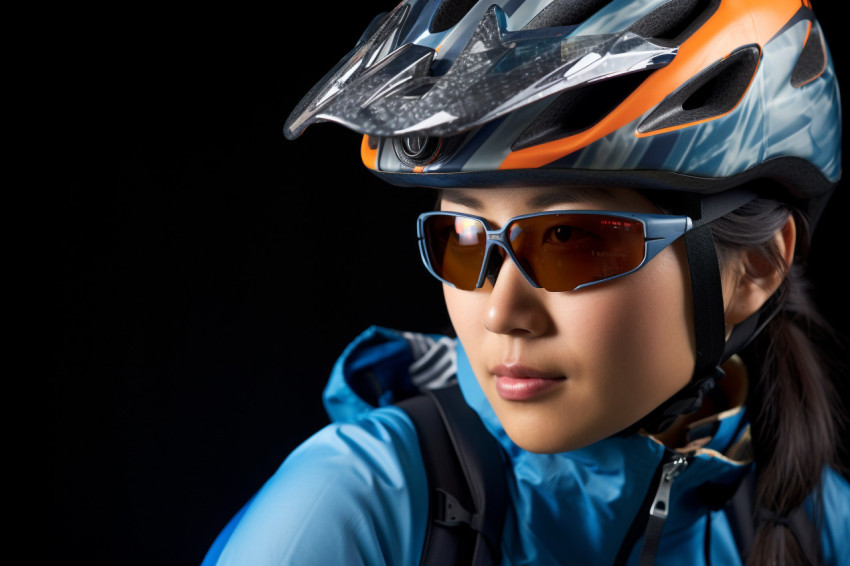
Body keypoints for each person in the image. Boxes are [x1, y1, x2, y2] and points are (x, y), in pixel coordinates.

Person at [202, 0, 849, 564]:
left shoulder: (825, 527)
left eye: (569, 238)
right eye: (461, 240)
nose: (500, 312)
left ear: (760, 263)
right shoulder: (351, 501)